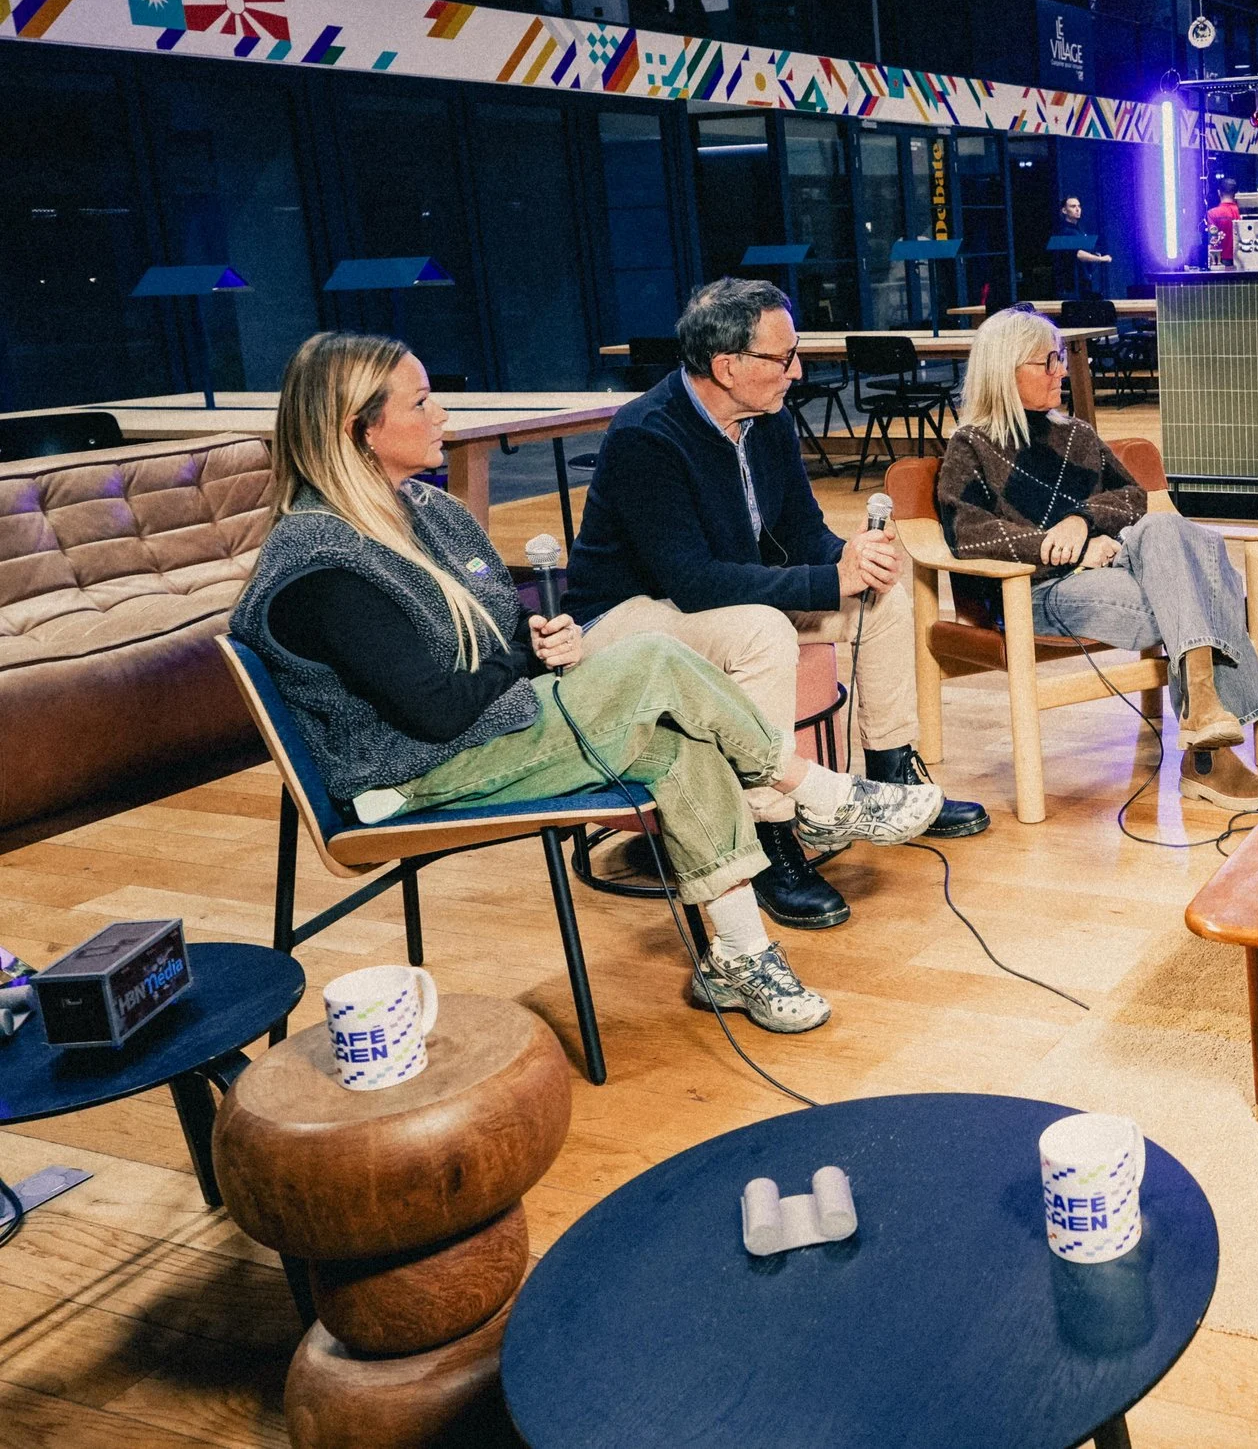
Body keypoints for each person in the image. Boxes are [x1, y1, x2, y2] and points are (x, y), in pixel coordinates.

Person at [229, 334, 946, 1034]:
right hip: (411, 773)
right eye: (421, 403)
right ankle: (817, 792)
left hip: (491, 722)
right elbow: (436, 712)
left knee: (682, 746)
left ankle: (738, 955)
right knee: (654, 657)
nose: (442, 413)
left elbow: (502, 629)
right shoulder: (323, 564)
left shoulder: (430, 512)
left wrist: (541, 640)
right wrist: (527, 657)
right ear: (358, 430)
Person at [565, 279, 989, 933]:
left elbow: (802, 534)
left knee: (882, 601)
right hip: (623, 615)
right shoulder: (646, 436)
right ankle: (769, 833)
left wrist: (854, 561)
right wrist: (827, 580)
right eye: (783, 357)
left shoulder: (767, 422)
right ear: (727, 366)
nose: (797, 371)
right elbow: (692, 582)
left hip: (711, 597)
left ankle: (891, 775)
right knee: (762, 630)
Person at [935, 306, 1258, 811]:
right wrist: (1069, 551)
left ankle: (1205, 715)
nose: (1062, 370)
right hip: (1036, 591)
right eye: (1048, 362)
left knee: (1165, 527)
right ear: (1005, 371)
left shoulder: (1076, 434)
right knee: (1204, 581)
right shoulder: (971, 446)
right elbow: (969, 533)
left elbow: (1132, 497)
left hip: (1112, 568)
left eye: (1060, 358)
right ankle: (1209, 760)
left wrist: (1082, 520)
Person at [1056, 195, 1112, 296]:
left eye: (1079, 206)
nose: (1077, 209)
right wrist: (1101, 259)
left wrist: (1094, 255)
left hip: (1083, 281)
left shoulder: (1079, 230)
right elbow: (1078, 254)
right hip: (1072, 285)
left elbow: (1084, 250)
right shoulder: (1065, 231)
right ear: (1064, 210)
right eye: (1073, 206)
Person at [1204, 177, 1240, 269]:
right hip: (1243, 260)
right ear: (1235, 193)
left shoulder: (1212, 214)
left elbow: (1212, 240)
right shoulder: (1241, 212)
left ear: (1219, 192)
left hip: (1220, 262)